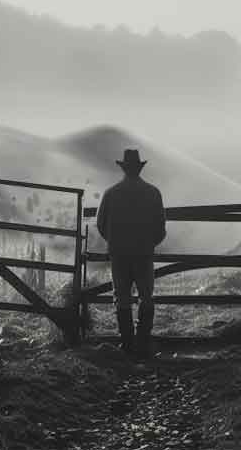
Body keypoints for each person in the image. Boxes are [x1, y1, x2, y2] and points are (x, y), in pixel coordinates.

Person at [96, 149, 166, 358]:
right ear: (139, 168)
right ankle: (143, 343)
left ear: (124, 168)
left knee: (122, 298)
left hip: (119, 253)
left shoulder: (111, 193)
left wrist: (115, 241)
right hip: (144, 253)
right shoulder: (153, 193)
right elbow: (160, 228)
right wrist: (149, 243)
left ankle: (127, 345)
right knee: (146, 297)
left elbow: (101, 225)